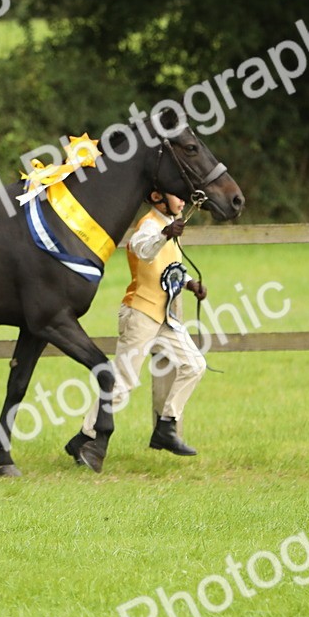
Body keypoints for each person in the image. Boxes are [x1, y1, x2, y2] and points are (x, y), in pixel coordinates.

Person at [65, 190, 208, 463]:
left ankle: (166, 425)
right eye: (176, 196)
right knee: (123, 383)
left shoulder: (168, 224)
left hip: (164, 317)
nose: (182, 201)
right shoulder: (150, 225)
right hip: (140, 314)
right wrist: (166, 233)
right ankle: (84, 438)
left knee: (195, 364)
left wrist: (190, 283)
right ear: (157, 198)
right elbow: (143, 249)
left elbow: (170, 265)